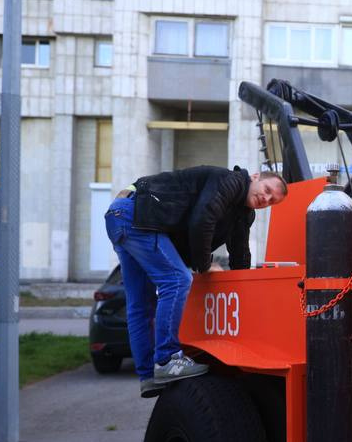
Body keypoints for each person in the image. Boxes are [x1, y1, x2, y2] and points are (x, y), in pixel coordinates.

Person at [104, 165, 288, 397]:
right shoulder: (230, 182)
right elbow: (203, 219)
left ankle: (148, 376)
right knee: (178, 280)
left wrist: (243, 285)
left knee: (141, 305)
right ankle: (168, 359)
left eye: (272, 201)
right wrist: (205, 265)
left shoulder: (242, 213)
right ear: (255, 177)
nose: (266, 198)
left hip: (121, 217)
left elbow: (240, 252)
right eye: (267, 189)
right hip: (134, 215)